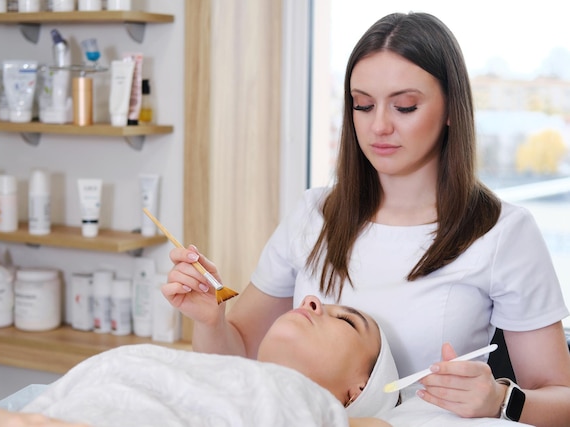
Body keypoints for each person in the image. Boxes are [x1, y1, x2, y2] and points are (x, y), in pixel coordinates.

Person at [164, 11, 570, 427]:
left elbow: (562, 399)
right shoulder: (314, 215)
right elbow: (240, 356)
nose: (379, 126)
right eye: (362, 104)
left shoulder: (502, 233)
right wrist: (210, 319)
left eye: (405, 106)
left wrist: (501, 400)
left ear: (451, 109)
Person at [0, 296, 397, 427]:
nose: (316, 302)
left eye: (347, 321)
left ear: (355, 391)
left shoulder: (317, 411)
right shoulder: (216, 373)